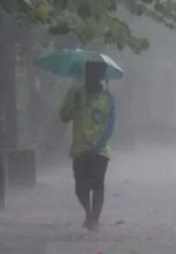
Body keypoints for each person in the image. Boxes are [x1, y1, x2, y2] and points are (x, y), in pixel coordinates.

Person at [59, 61, 115, 231]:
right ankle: (88, 213)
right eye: (89, 72)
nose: (92, 76)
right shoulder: (76, 93)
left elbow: (110, 126)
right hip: (79, 148)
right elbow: (64, 116)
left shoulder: (107, 99)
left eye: (96, 72)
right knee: (80, 187)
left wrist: (98, 146)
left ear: (102, 75)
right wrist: (73, 104)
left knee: (98, 183)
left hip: (100, 150)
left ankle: (95, 218)